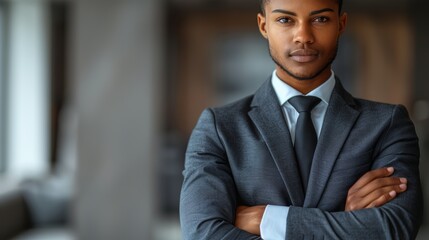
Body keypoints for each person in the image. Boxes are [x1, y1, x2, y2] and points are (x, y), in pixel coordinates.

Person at [179, 0, 423, 239]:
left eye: (320, 19)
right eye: (285, 20)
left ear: (341, 23)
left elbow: (394, 227)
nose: (303, 36)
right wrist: (345, 222)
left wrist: (268, 220)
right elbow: (202, 233)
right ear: (264, 26)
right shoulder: (219, 127)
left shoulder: (387, 124)